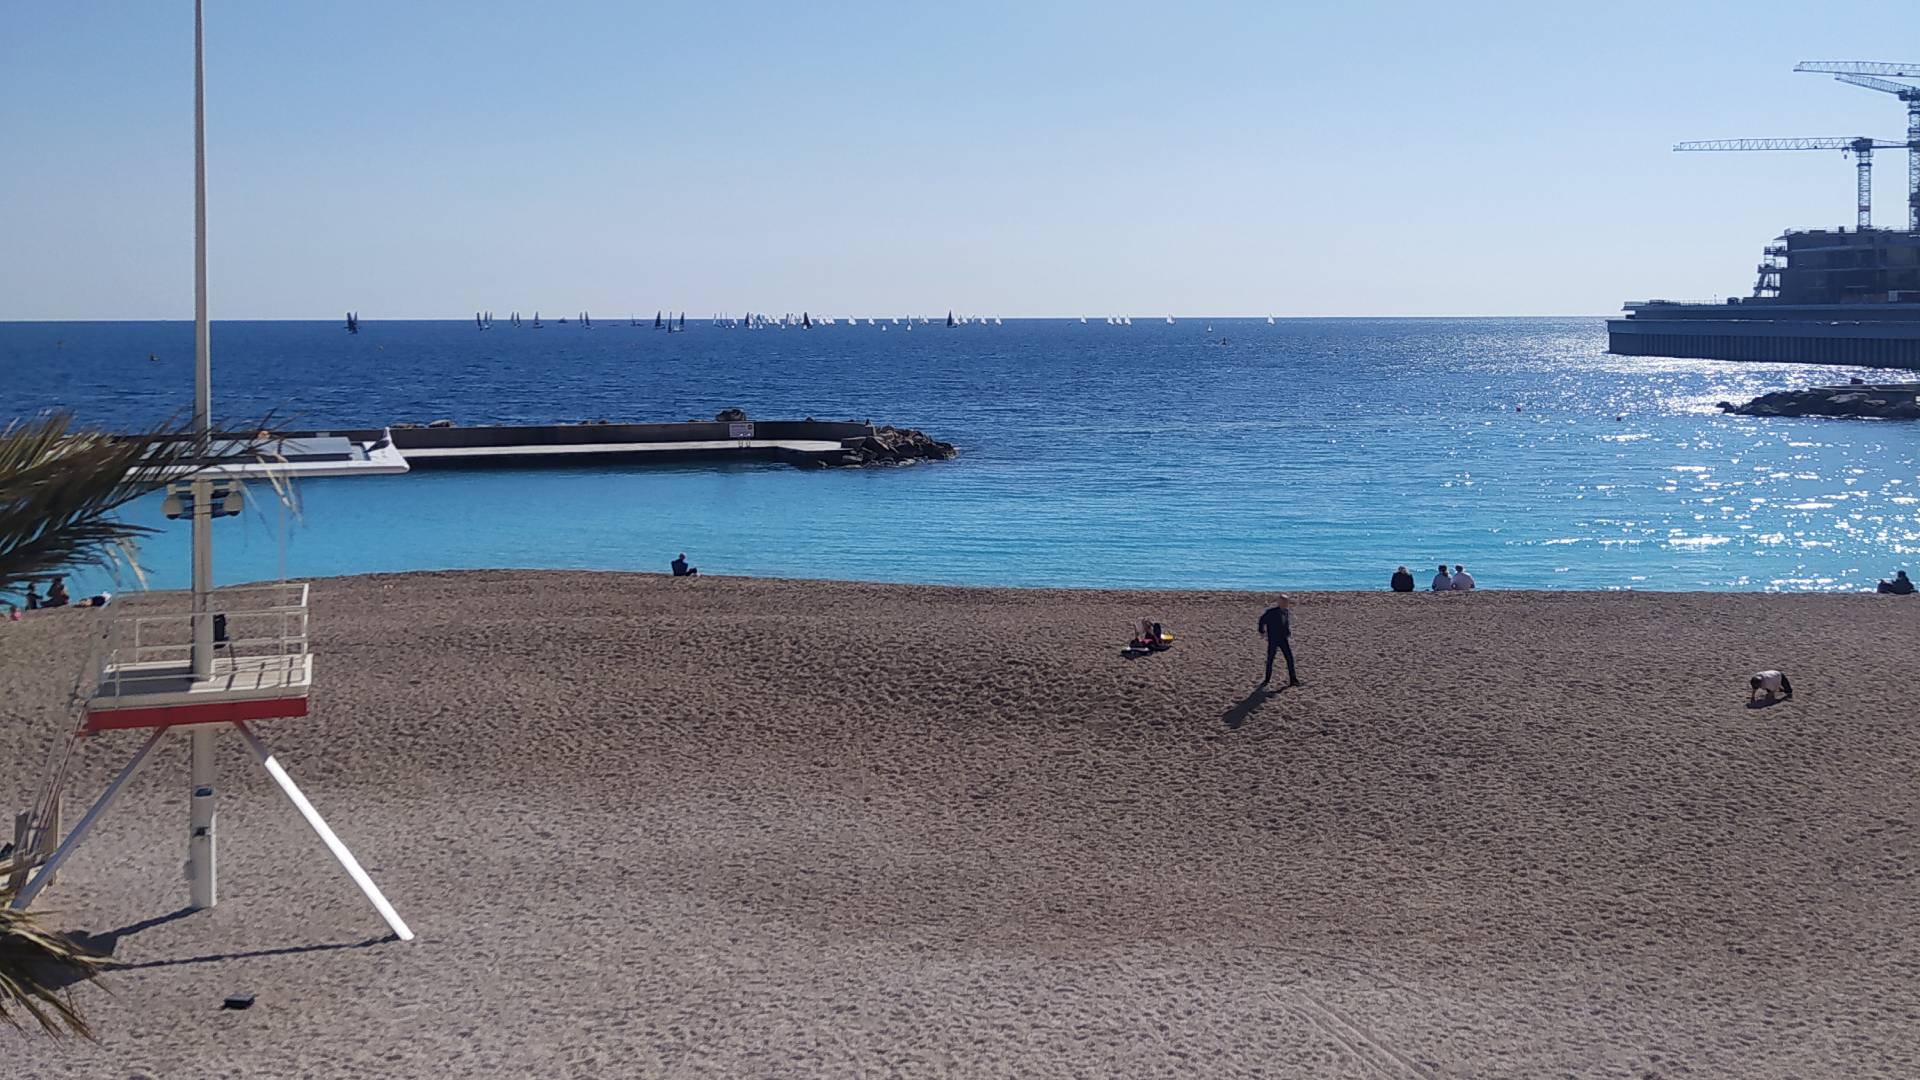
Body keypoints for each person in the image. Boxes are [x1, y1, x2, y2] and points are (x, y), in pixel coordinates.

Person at [1257, 595, 1299, 687]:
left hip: (1283, 639)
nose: (1286, 604)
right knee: (1270, 659)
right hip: (1273, 639)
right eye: (1284, 602)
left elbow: (1285, 623)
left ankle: (1293, 680)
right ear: (1279, 602)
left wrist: (1288, 632)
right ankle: (1267, 679)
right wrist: (1262, 631)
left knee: (1289, 659)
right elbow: (1261, 621)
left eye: (1287, 602)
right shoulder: (1271, 612)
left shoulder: (1286, 611)